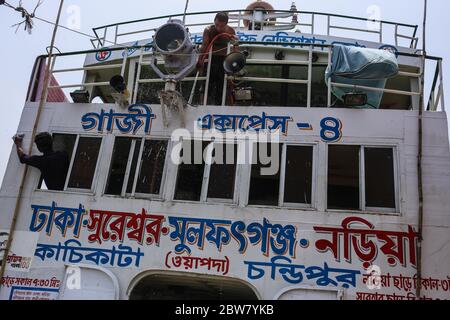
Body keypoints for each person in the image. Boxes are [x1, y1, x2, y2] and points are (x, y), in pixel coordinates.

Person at [198, 12, 237, 105]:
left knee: (222, 85)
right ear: (214, 21)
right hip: (210, 60)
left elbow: (235, 47)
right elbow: (204, 46)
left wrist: (232, 63)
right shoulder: (208, 30)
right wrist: (200, 61)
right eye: (217, 25)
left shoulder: (231, 31)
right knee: (207, 85)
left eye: (221, 26)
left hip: (224, 61)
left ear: (226, 24)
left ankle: (219, 106)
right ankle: (203, 105)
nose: (219, 28)